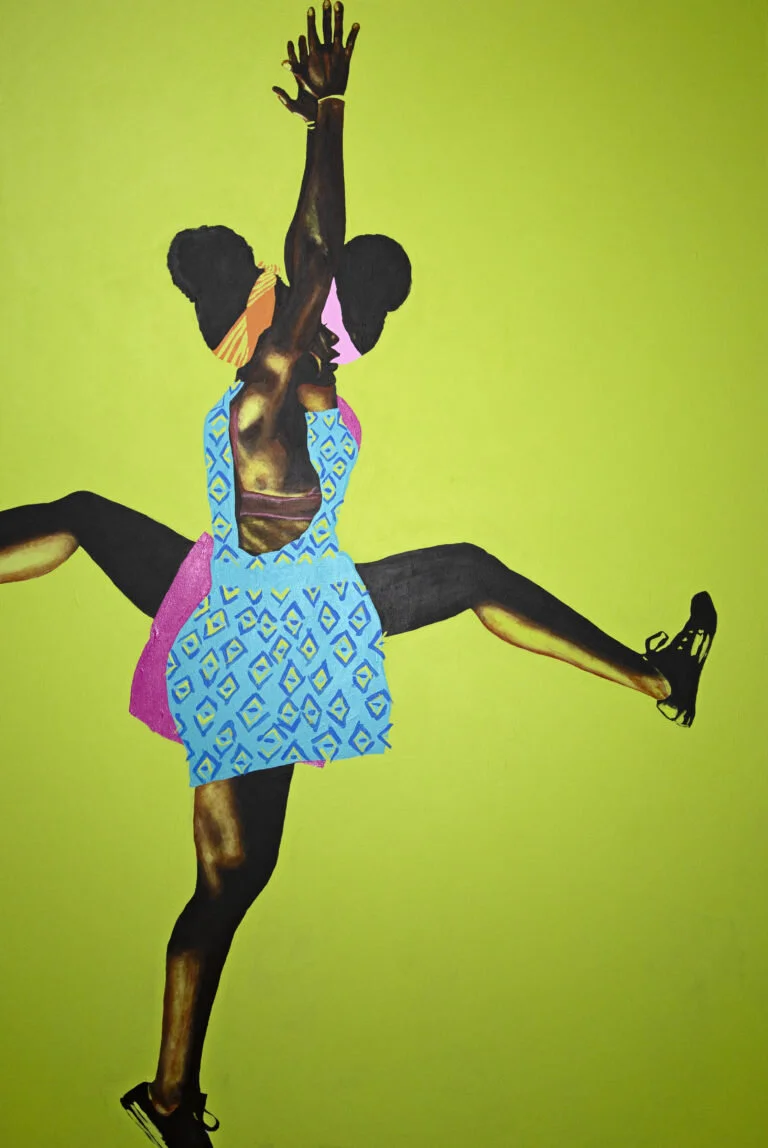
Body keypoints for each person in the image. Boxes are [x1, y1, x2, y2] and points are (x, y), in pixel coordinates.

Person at [0, 3, 717, 1144]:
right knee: (239, 866)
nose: (329, 319)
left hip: (271, 609)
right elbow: (320, 251)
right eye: (309, 309)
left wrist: (325, 230)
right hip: (274, 621)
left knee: (228, 881)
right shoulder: (271, 379)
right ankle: (655, 678)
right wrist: (327, 113)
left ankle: (171, 1097)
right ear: (269, 319)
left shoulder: (270, 384)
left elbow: (321, 271)